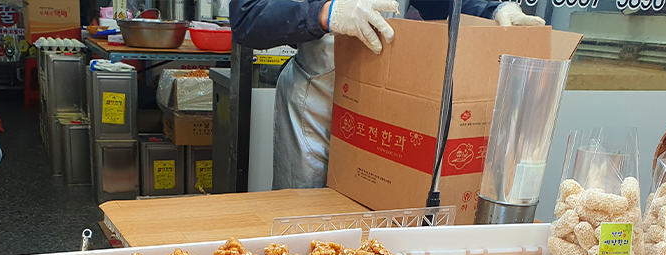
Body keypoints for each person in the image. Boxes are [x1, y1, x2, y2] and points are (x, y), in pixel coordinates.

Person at [230, 0, 545, 190]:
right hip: (314, 105)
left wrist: (494, 9)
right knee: (302, 217)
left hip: (383, 102)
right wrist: (325, 12)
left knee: (372, 222)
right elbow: (248, 17)